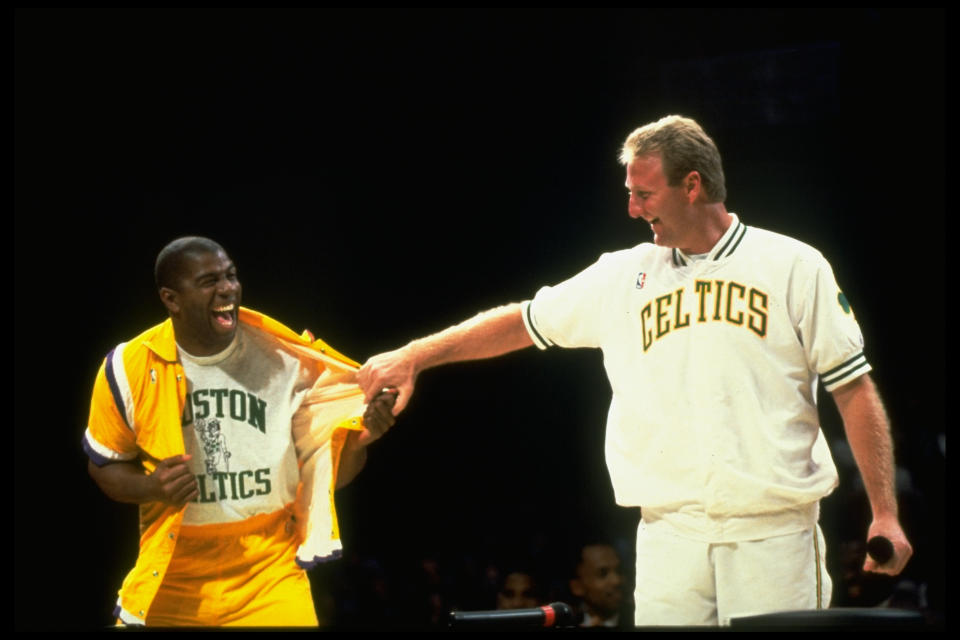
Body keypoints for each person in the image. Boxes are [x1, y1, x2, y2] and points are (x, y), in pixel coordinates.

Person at [357, 115, 913, 626]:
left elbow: (853, 388)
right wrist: (415, 355)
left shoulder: (794, 265)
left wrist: (884, 512)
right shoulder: (622, 276)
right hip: (669, 535)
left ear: (691, 186)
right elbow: (520, 321)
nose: (632, 208)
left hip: (772, 532)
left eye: (644, 193)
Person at [83, 236, 397, 627]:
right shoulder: (127, 368)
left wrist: (363, 440)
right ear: (171, 299)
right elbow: (104, 466)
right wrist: (151, 489)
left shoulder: (291, 361)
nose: (228, 288)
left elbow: (333, 479)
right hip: (174, 571)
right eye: (209, 281)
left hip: (268, 569)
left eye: (231, 275)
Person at [569, 543, 625, 628]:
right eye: (603, 573)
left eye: (619, 571)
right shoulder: (565, 622)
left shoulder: (640, 621)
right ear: (577, 587)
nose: (617, 581)